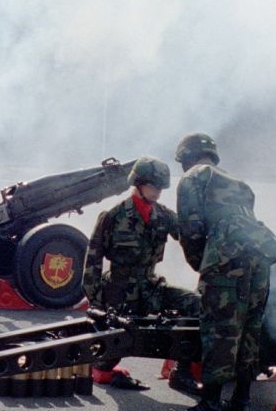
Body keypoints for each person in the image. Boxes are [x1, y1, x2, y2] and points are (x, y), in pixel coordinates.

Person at [167, 133, 276, 411]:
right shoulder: (237, 182)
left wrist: (203, 266)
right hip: (260, 259)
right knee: (248, 329)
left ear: (186, 158)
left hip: (226, 260)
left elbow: (191, 229)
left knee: (219, 331)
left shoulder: (194, 177)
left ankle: (210, 407)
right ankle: (241, 403)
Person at [83, 157, 202, 396]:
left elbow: (191, 237)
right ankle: (99, 366)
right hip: (119, 291)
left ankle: (182, 372)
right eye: (153, 186)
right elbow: (93, 261)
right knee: (112, 353)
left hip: (151, 286)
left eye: (160, 188)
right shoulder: (114, 216)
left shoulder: (164, 216)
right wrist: (96, 302)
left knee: (195, 304)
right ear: (137, 184)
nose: (157, 192)